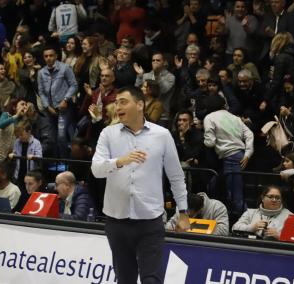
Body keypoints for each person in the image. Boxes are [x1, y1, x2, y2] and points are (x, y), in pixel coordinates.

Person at [91, 86, 190, 284]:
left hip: (150, 220)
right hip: (116, 220)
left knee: (151, 279)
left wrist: (184, 213)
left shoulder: (162, 135)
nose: (118, 106)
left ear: (140, 104)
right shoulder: (108, 134)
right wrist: (120, 161)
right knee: (125, 279)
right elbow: (96, 169)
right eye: (116, 102)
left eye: (123, 101)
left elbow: (176, 177)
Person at [203, 95, 254, 215]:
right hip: (239, 155)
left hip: (230, 157)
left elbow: (210, 142)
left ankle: (247, 225)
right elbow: (249, 134)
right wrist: (248, 154)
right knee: (220, 187)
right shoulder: (234, 117)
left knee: (235, 196)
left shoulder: (209, 117)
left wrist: (204, 139)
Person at [38, 44, 78, 158]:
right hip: (49, 108)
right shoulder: (41, 72)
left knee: (61, 136)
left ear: (56, 56)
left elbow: (74, 85)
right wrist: (47, 106)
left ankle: (66, 162)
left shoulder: (65, 68)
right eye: (46, 56)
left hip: (64, 107)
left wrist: (65, 99)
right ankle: (56, 163)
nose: (48, 58)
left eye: (51, 55)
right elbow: (41, 92)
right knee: (51, 137)